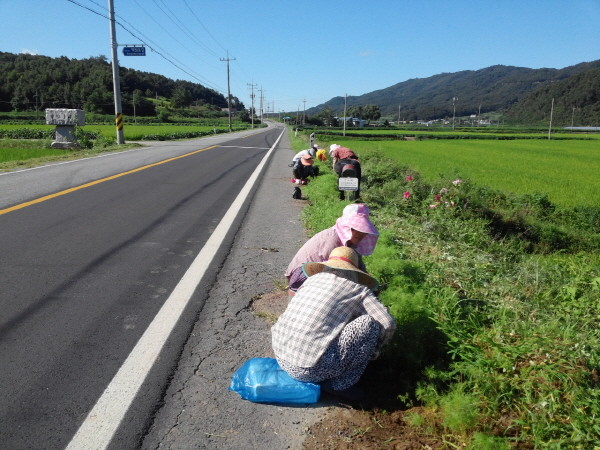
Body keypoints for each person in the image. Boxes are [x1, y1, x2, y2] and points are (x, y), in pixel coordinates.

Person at [272, 247, 396, 400]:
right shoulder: (358, 289)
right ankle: (340, 385)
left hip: (281, 355)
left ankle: (330, 374)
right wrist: (375, 350)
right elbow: (388, 323)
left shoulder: (311, 280)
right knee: (368, 324)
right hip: (308, 370)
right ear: (355, 271)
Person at [285, 203, 379, 294]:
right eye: (355, 229)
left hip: (321, 273)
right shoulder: (332, 240)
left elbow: (358, 266)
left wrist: (370, 284)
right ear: (346, 227)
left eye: (363, 230)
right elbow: (332, 272)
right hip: (302, 275)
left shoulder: (351, 242)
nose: (360, 234)